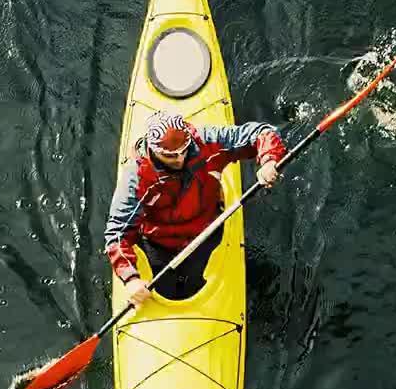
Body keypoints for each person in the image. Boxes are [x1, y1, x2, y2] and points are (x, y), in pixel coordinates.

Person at [105, 109, 285, 307]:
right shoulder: (136, 179)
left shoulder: (205, 142)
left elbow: (261, 132)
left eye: (184, 149)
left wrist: (269, 159)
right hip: (158, 243)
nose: (181, 158)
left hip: (207, 231)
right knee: (167, 290)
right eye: (171, 155)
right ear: (154, 150)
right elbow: (117, 234)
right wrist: (130, 278)